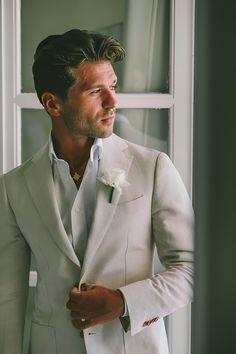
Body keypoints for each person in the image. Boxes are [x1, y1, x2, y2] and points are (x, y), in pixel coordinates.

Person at [0, 29, 194, 354]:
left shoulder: (153, 167)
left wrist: (122, 302)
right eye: (96, 91)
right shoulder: (14, 187)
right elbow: (9, 293)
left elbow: (191, 270)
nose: (113, 102)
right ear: (53, 103)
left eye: (113, 87)